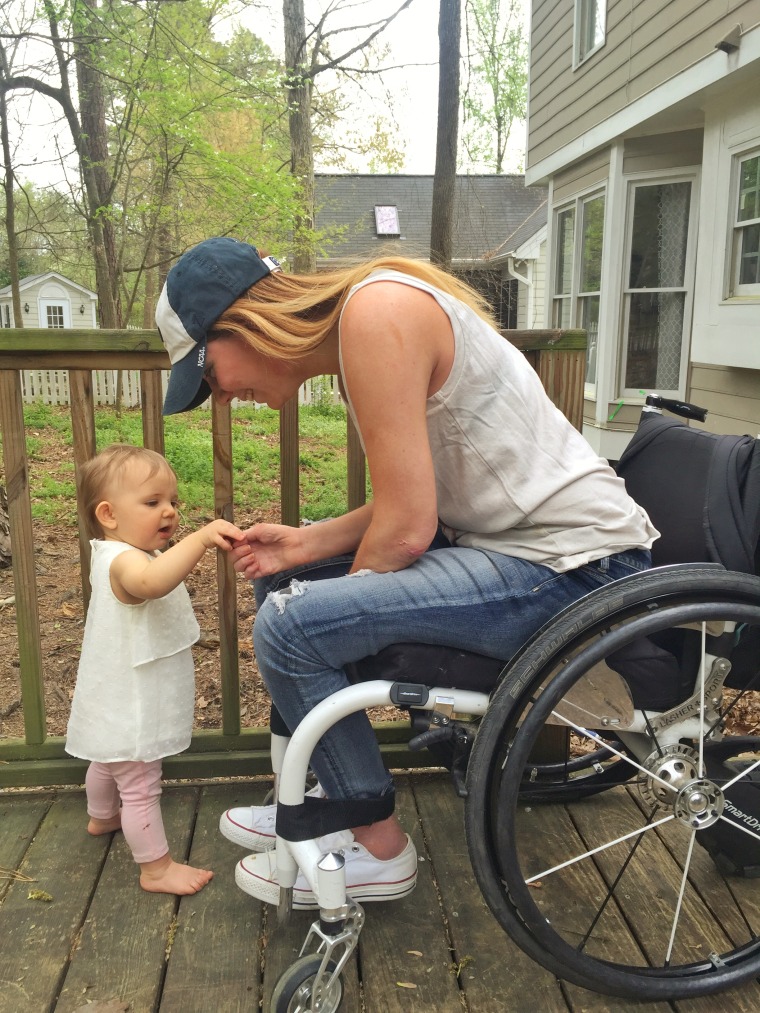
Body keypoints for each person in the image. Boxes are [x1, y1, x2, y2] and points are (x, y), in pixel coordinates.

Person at [156, 237, 659, 909]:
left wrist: (332, 615)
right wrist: (305, 547)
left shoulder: (377, 314)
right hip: (516, 548)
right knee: (284, 591)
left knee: (292, 624)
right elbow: (413, 498)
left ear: (243, 322)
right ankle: (307, 796)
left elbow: (408, 527)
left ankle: (377, 846)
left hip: (576, 568)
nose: (218, 397)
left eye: (207, 374)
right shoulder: (368, 317)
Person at [65, 443, 244, 895]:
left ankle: (102, 816)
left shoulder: (114, 550)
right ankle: (156, 868)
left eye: (172, 502)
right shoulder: (126, 561)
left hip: (113, 692)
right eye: (152, 503)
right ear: (108, 514)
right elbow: (153, 583)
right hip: (133, 700)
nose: (169, 512)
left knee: (107, 757)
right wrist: (200, 540)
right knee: (140, 781)